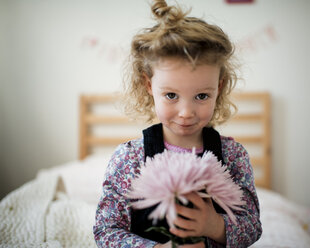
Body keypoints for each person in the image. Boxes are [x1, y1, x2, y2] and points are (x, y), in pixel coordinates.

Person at [93, 0, 262, 247]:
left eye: (201, 96)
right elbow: (106, 231)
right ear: (149, 85)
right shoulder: (129, 159)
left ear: (220, 87)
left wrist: (214, 225)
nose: (186, 113)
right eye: (171, 95)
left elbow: (252, 226)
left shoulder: (233, 156)